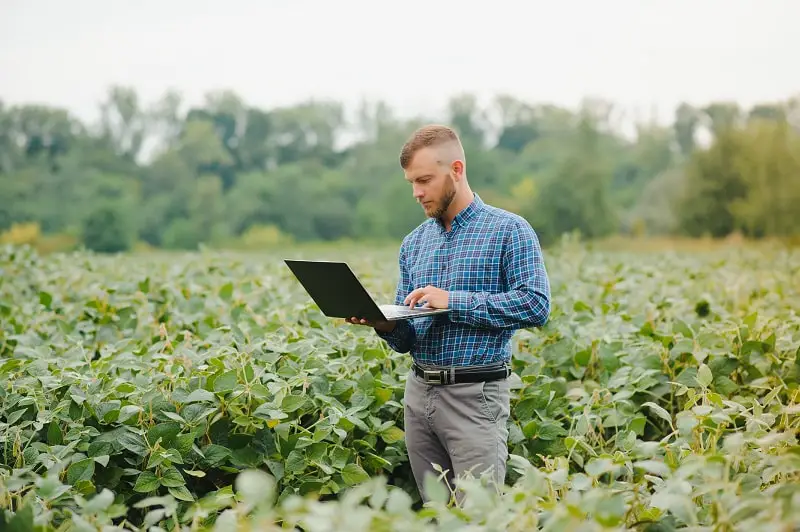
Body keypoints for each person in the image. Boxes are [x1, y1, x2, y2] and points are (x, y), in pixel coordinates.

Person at [347, 124, 551, 504]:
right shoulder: (413, 243)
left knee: (478, 516)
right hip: (419, 394)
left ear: (456, 170)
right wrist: (382, 323)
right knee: (437, 513)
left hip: (476, 396)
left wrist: (454, 301)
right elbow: (406, 340)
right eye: (411, 183)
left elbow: (536, 304)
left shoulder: (509, 231)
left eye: (424, 180)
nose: (417, 192)